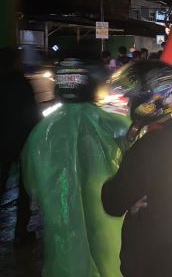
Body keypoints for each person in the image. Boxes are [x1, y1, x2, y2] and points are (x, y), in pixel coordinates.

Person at [21, 57, 130, 276]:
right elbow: (137, 166)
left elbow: (31, 185)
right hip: (109, 224)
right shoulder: (115, 125)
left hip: (63, 232)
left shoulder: (42, 132)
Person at [101, 61, 172, 277]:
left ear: (149, 101)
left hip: (151, 261)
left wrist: (124, 193)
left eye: (131, 98)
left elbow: (113, 202)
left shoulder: (148, 148)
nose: (128, 104)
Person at [0, 46, 39, 245]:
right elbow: (32, 114)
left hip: (3, 143)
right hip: (22, 142)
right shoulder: (21, 83)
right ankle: (21, 232)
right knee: (25, 189)